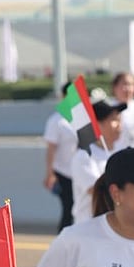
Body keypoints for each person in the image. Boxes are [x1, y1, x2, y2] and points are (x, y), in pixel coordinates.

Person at [69, 98, 130, 225]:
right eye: (113, 120)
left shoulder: (122, 153)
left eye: (119, 119)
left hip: (114, 225)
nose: (119, 125)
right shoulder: (85, 156)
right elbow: (98, 190)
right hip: (89, 226)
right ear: (97, 125)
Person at [42, 81, 80, 231]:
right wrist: (50, 174)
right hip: (63, 173)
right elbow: (51, 149)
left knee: (80, 209)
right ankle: (63, 239)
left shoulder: (83, 119)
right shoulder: (56, 120)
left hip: (80, 171)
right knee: (68, 209)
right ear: (63, 97)